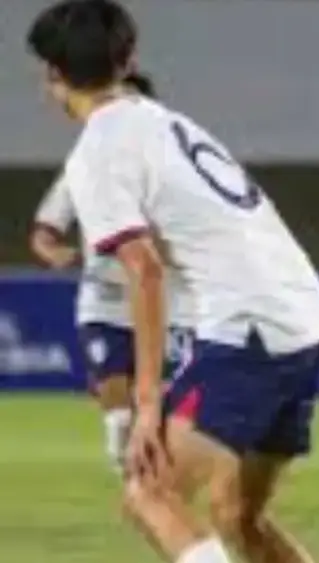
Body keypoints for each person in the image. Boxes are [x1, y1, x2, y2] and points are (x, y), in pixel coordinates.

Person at [26, 2, 319, 563]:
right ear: (129, 61)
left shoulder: (98, 150)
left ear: (51, 76)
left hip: (245, 327)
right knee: (238, 512)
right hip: (301, 319)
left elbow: (145, 269)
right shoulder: (168, 122)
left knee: (147, 487)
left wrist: (150, 401)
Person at [30, 71, 195, 479]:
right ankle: (138, 483)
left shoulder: (175, 173)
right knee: (119, 416)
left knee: (165, 417)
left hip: (167, 305)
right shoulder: (84, 166)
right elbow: (44, 233)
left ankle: (155, 488)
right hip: (105, 300)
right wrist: (55, 253)